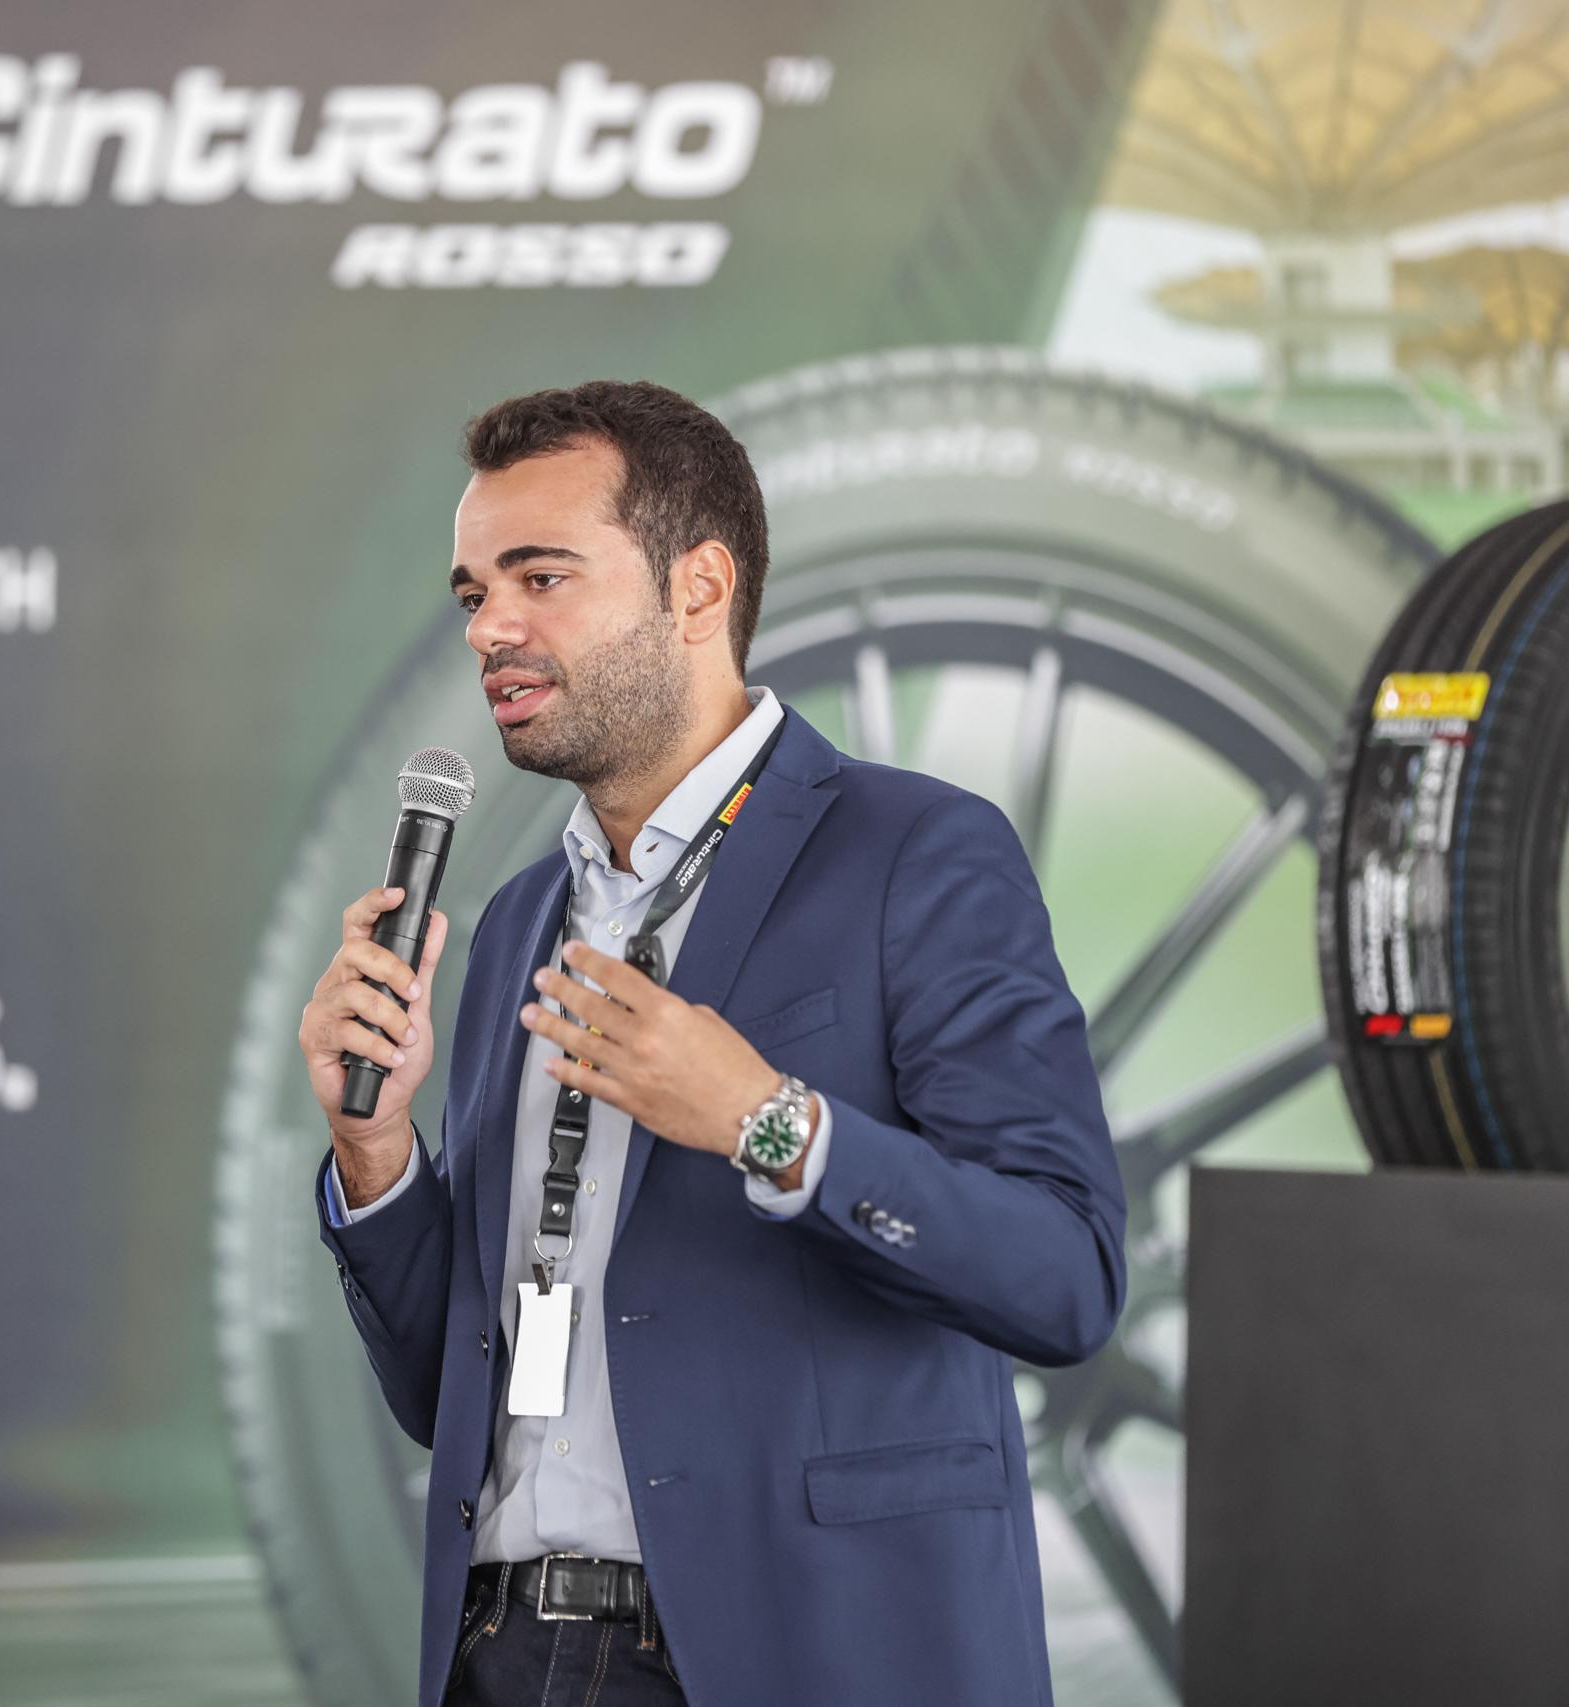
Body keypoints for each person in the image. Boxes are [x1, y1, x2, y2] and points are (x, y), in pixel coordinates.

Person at [297, 379, 1125, 1706]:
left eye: (540, 578)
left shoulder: (917, 854)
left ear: (699, 586)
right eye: (473, 594)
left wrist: (768, 1123)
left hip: (800, 1657)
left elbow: (1064, 1277)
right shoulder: (515, 924)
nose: (491, 628)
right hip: (510, 1658)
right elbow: (451, 1395)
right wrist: (378, 1149)